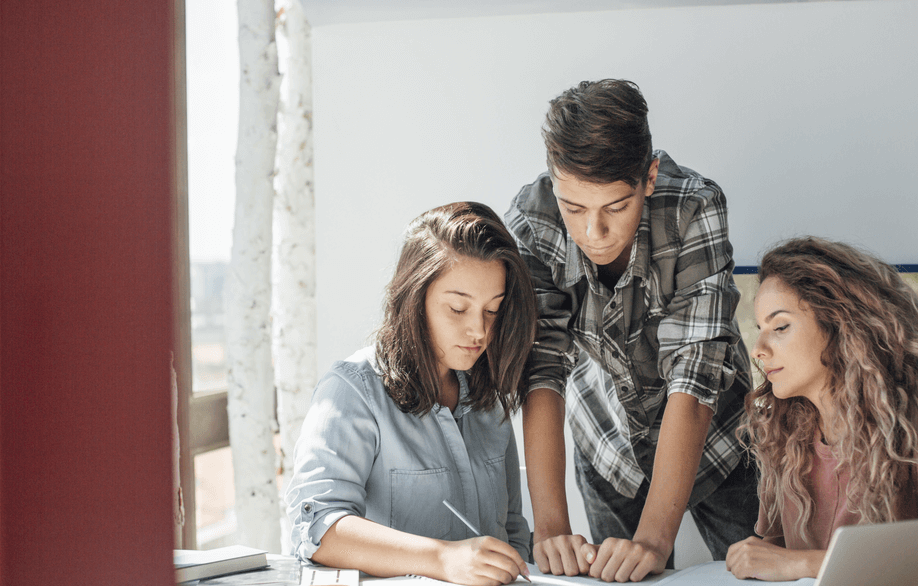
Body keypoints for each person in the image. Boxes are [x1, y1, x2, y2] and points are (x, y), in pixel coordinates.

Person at [504, 79, 757, 583]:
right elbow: (541, 372)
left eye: (615, 208)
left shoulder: (694, 207)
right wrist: (550, 527)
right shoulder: (532, 223)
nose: (593, 234)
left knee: (762, 576)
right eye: (574, 209)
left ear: (649, 176)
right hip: (607, 443)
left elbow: (696, 374)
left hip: (719, 441)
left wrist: (653, 538)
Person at [725, 236, 918, 581]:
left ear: (841, 324)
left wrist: (803, 564)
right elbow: (772, 562)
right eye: (760, 330)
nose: (758, 349)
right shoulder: (783, 430)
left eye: (780, 327)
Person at [284, 202, 537, 586]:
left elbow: (512, 530)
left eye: (492, 311)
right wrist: (442, 559)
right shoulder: (351, 392)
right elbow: (317, 527)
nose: (479, 332)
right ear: (414, 299)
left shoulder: (489, 403)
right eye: (457, 308)